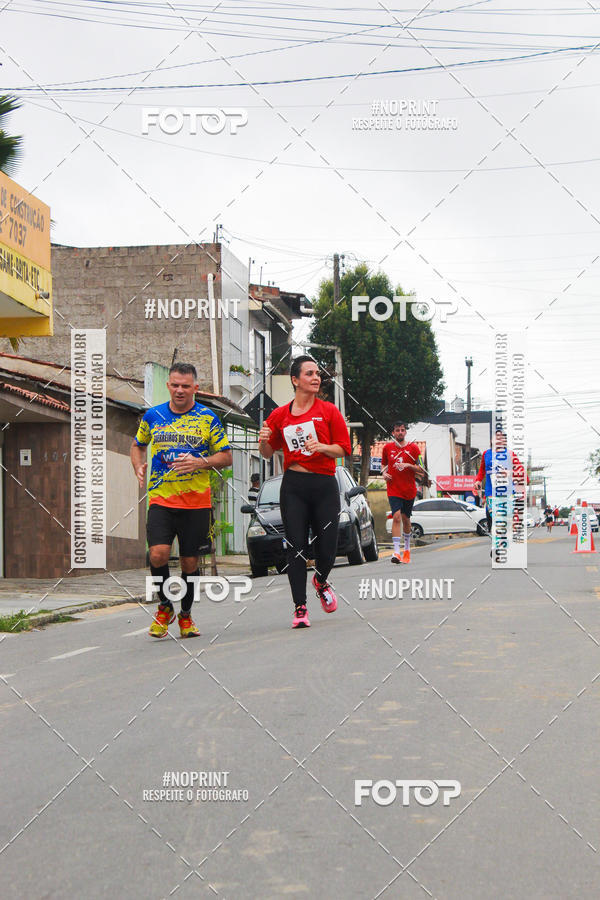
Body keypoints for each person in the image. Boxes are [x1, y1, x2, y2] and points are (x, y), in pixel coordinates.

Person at [130, 362, 233, 639]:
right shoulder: (153, 416)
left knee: (189, 562)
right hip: (161, 499)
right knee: (158, 554)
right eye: (174, 385)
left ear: (195, 388)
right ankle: (165, 606)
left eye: (185, 386)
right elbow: (138, 445)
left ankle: (185, 615)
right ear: (168, 386)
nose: (179, 390)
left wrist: (200, 462)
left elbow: (226, 457)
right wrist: (138, 465)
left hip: (196, 503)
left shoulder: (208, 418)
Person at [258, 356, 351, 628]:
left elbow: (343, 448)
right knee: (296, 547)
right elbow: (267, 452)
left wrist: (321, 447)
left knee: (328, 548)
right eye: (309, 373)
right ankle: (300, 608)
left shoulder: (329, 411)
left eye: (318, 374)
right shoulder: (280, 415)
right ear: (295, 380)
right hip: (294, 487)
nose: (316, 377)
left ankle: (321, 580)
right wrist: (262, 441)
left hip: (323, 484)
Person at [474, 431, 527, 555]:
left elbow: (520, 471)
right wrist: (477, 480)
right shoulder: (486, 454)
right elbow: (482, 470)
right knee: (493, 519)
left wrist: (509, 473)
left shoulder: (510, 454)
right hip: (491, 492)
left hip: (507, 492)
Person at [381, 423, 424, 564]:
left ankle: (406, 550)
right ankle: (396, 552)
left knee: (406, 519)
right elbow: (383, 465)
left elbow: (422, 470)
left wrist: (409, 465)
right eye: (397, 430)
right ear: (393, 433)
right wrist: (384, 474)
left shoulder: (414, 448)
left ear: (405, 432)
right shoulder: (387, 448)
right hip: (393, 488)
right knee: (397, 517)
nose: (400, 432)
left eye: (402, 430)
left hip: (409, 490)